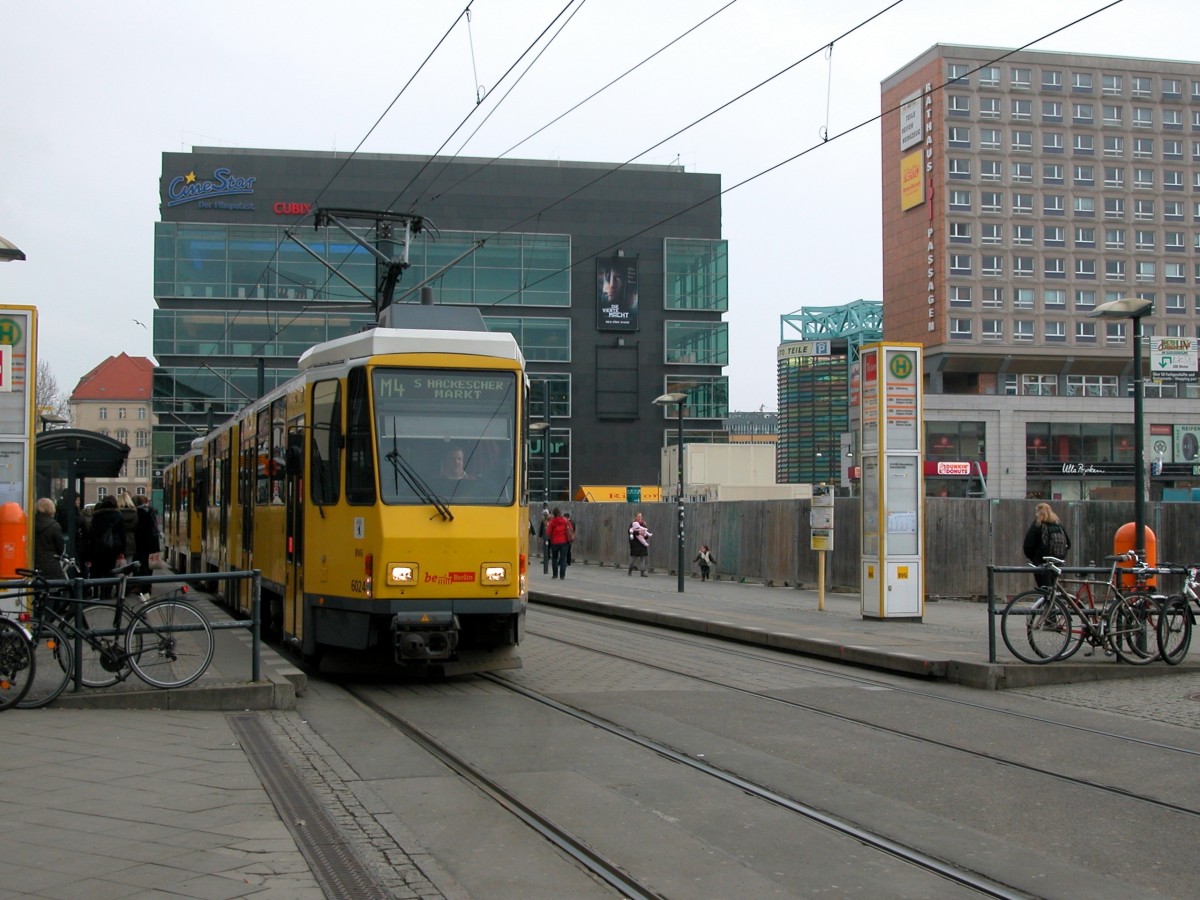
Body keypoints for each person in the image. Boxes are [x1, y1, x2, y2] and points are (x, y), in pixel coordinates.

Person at [1023, 502, 1071, 592]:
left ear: (1038, 513)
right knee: (1053, 590)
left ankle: (1047, 605)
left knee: (1044, 590)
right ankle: (1053, 604)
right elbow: (1068, 544)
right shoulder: (1058, 526)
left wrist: (1033, 558)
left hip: (1042, 563)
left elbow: (1028, 545)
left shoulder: (1037, 526)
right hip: (1057, 563)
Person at [89, 495, 126, 597]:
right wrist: (122, 550)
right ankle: (107, 593)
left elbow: (92, 533)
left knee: (99, 570)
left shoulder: (97, 516)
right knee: (110, 570)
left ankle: (99, 591)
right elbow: (122, 534)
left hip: (99, 547)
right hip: (114, 547)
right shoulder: (119, 516)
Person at [34, 497, 67, 582]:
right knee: (59, 587)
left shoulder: (30, 523)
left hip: (34, 563)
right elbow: (60, 548)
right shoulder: (54, 526)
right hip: (50, 564)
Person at [133, 495, 161, 576]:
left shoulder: (136, 512)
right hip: (152, 543)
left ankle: (141, 584)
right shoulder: (152, 511)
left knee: (140, 564)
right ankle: (147, 584)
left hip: (140, 543)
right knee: (149, 565)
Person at [546, 507, 572, 580]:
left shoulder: (552, 521)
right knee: (563, 559)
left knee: (554, 558)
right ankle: (562, 575)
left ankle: (555, 575)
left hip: (555, 542)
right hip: (564, 542)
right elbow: (570, 529)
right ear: (560, 513)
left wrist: (552, 537)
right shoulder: (565, 520)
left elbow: (548, 532)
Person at [628, 512, 651, 577]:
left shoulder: (643, 524)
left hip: (642, 544)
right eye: (639, 516)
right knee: (633, 558)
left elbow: (646, 534)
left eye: (641, 516)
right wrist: (638, 532)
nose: (640, 517)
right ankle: (630, 570)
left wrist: (645, 535)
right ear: (636, 517)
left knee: (643, 558)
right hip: (635, 544)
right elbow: (630, 532)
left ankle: (642, 572)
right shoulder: (633, 524)